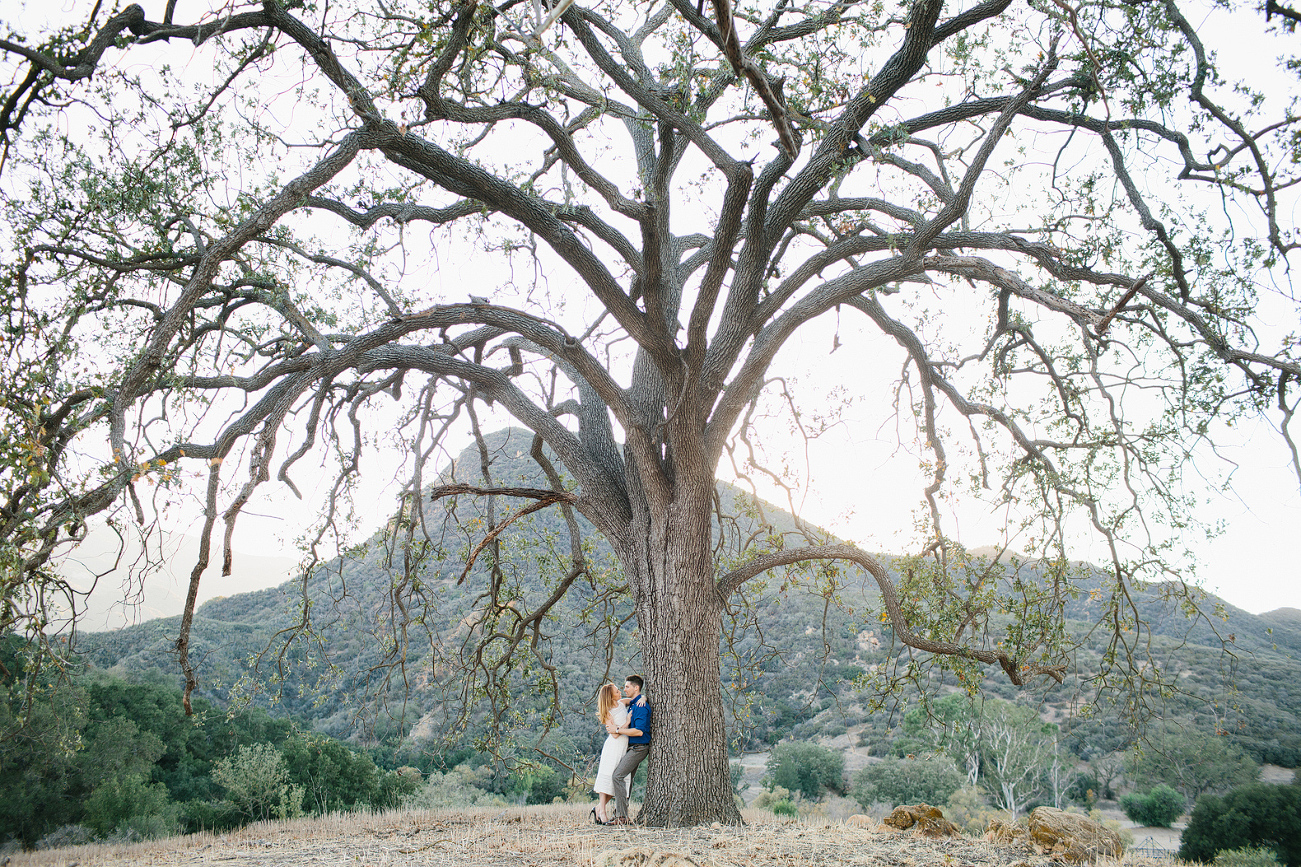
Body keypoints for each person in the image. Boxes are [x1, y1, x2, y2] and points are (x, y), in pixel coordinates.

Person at [606, 674, 650, 825]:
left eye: (627, 686)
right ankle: (619, 813)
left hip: (639, 748)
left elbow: (639, 731)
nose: (624, 689)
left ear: (635, 687)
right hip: (630, 747)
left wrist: (617, 729)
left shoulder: (640, 706)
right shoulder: (633, 703)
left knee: (617, 776)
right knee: (626, 780)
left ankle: (622, 817)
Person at [591, 682, 629, 824]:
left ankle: (598, 808)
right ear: (610, 695)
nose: (620, 692)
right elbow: (614, 735)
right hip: (614, 746)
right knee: (608, 778)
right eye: (617, 691)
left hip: (624, 745)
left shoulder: (622, 703)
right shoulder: (608, 712)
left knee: (616, 780)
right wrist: (627, 722)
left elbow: (635, 700)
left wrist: (643, 698)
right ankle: (602, 810)